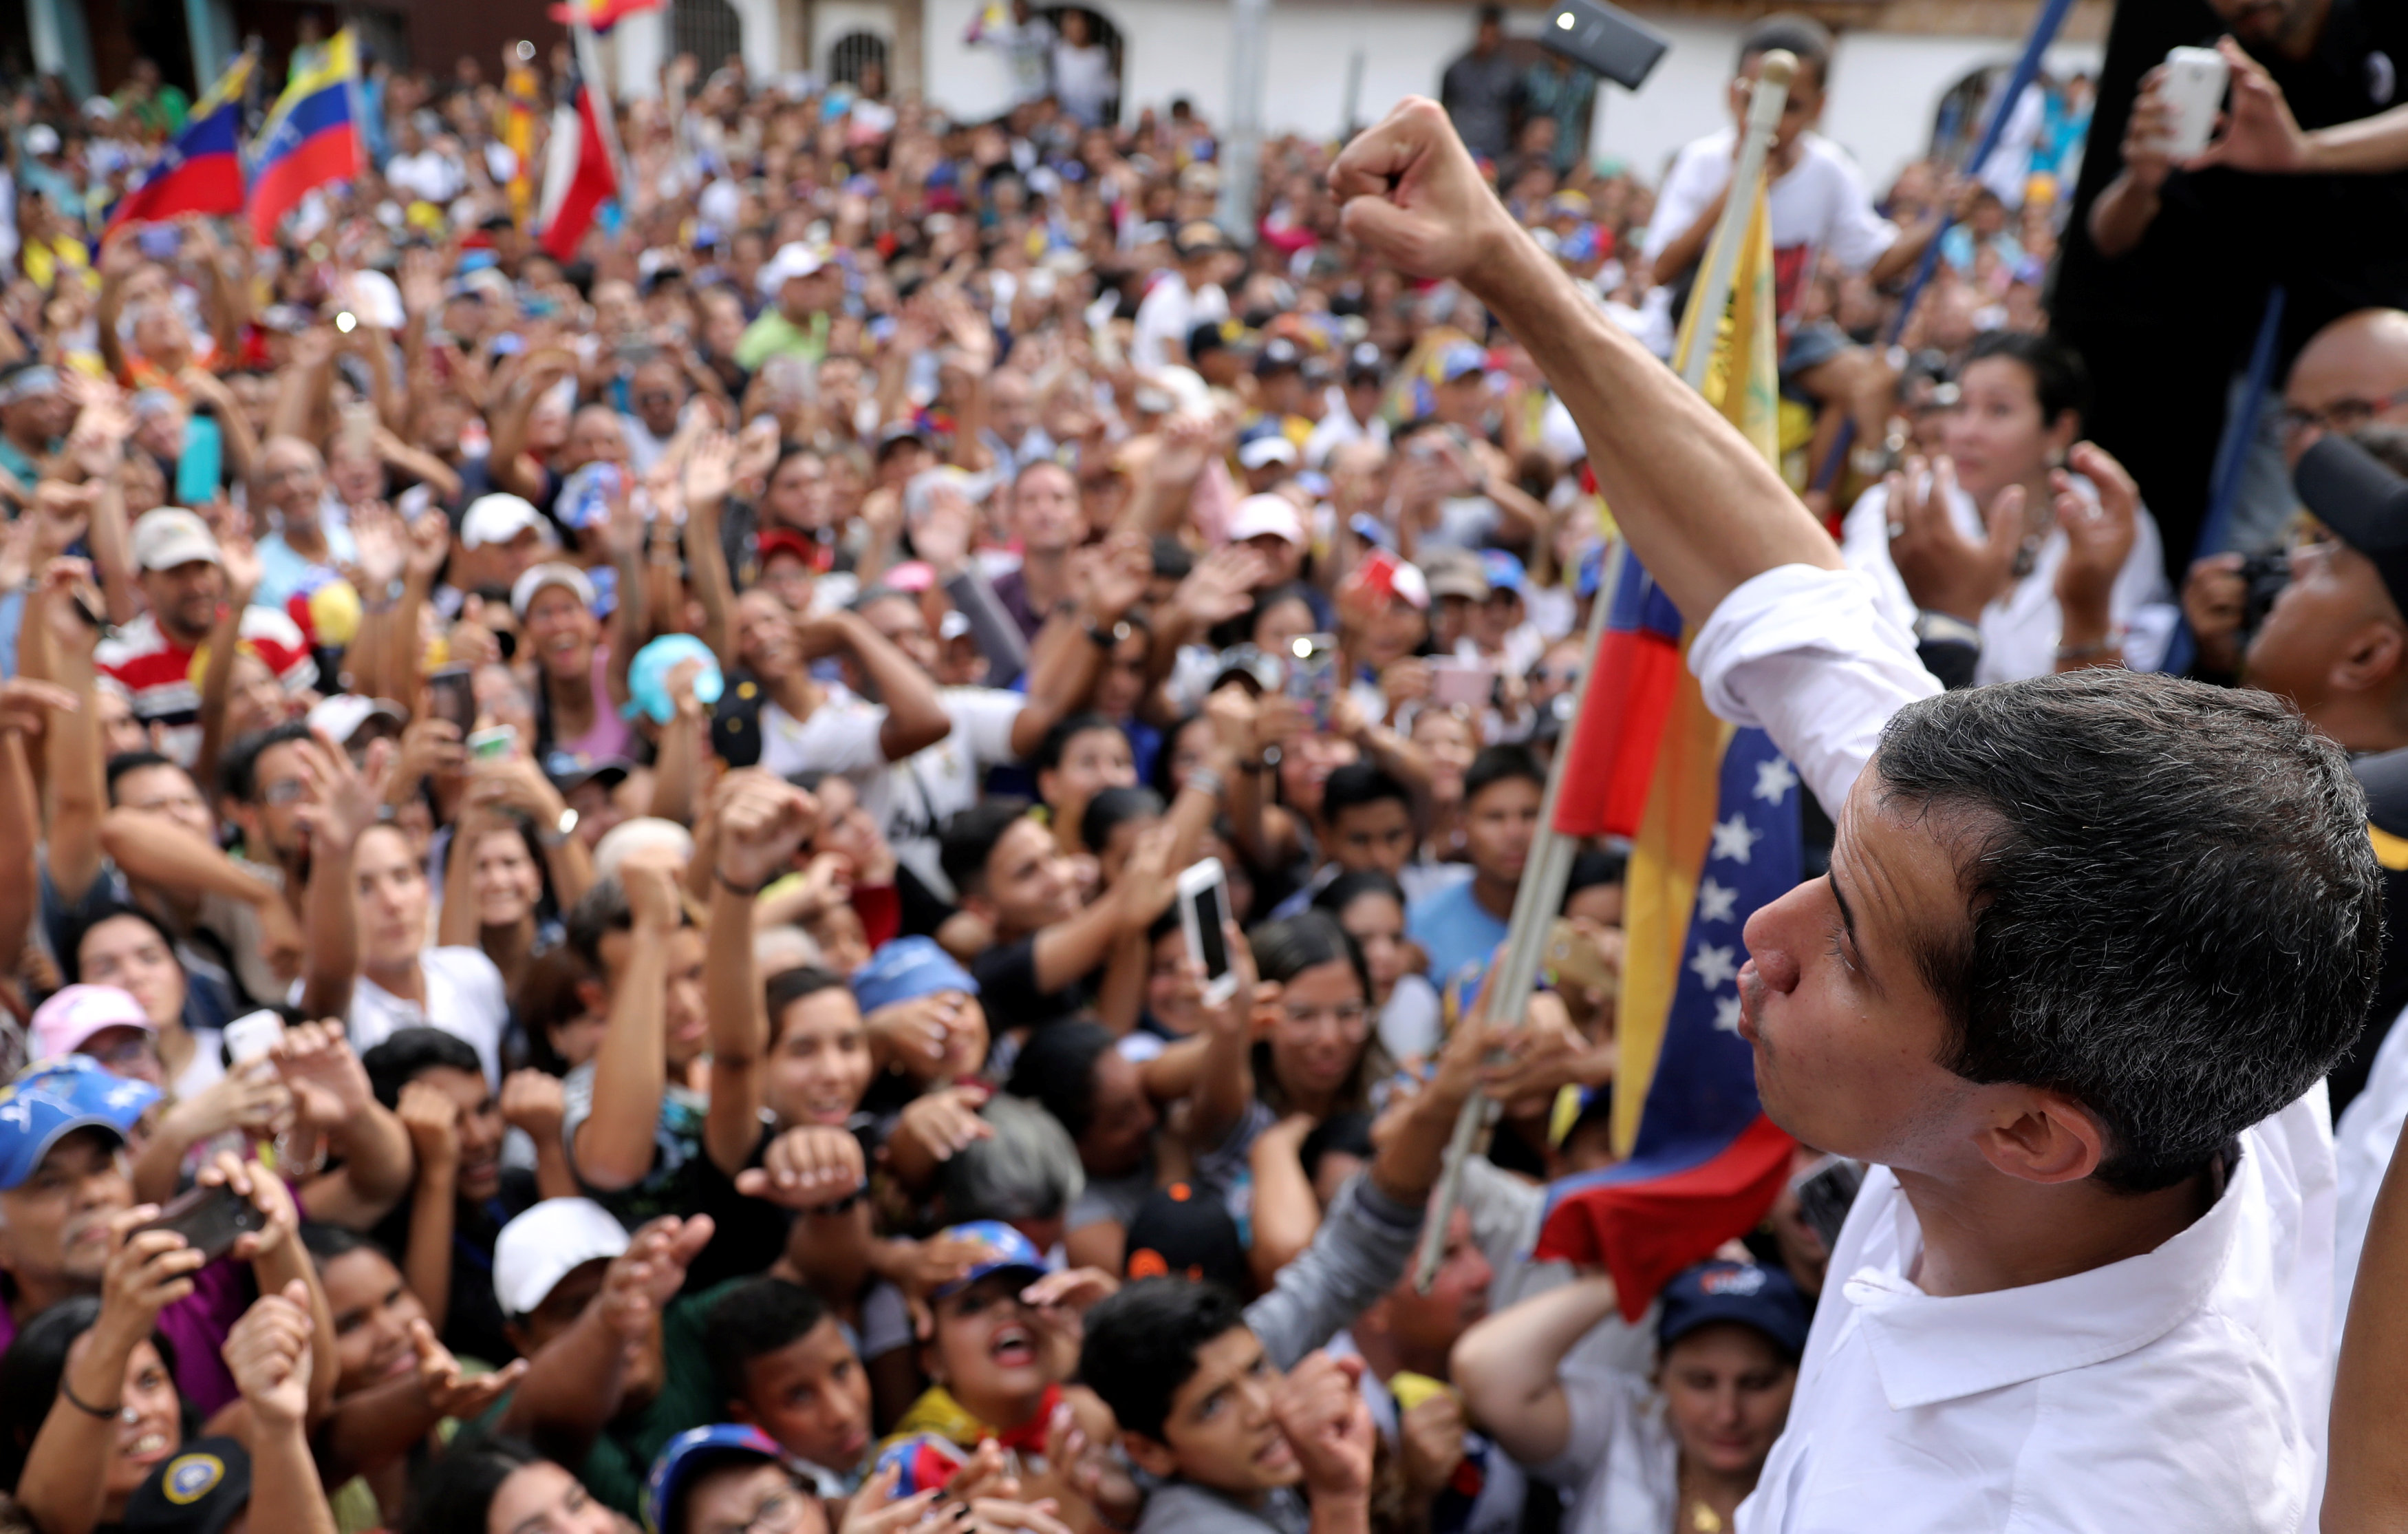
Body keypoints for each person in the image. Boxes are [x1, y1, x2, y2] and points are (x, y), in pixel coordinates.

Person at [1331, 89, 2377, 1528]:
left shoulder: (2072, 1495)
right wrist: (1502, 264)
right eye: (1840, 858)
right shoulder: (2140, 1002)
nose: (1764, 927)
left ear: (2029, 1135)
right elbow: (1786, 598)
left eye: (1854, 949)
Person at [1639, 16, 1939, 458]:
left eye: (1789, 106)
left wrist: (1943, 217)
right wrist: (1737, 188)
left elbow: (1876, 261)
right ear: (1731, 94)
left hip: (1778, 340)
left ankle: (1815, 504)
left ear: (1819, 107)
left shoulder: (1829, 171)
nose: (1769, 121)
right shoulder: (1702, 162)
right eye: (1753, 101)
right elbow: (1660, 271)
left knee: (1870, 380)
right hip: (1688, 336)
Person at [1838, 332, 2170, 682]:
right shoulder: (1896, 509)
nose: (1967, 431)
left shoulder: (2106, 526)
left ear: (2060, 430)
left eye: (1999, 410)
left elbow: (2126, 698)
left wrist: (2087, 609)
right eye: (1960, 406)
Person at [1452, 1260, 1808, 1534]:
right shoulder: (1622, 1427)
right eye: (1701, 1382)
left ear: (1801, 1380)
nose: (1728, 1414)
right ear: (1659, 1374)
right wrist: (1634, 1277)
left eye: (1757, 1383)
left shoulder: (1824, 1473)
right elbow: (1484, 1368)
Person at [1405, 745, 1538, 989]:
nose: (1515, 834)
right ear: (1463, 824)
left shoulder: (1584, 915)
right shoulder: (1421, 930)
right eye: (1495, 817)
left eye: (1530, 815)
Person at [1439, 8, 1523, 164]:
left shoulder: (1510, 73)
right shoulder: (1456, 69)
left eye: (1493, 35)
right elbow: (1444, 109)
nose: (1487, 40)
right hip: (1460, 146)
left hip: (1497, 151)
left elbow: (1516, 115)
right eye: (1485, 33)